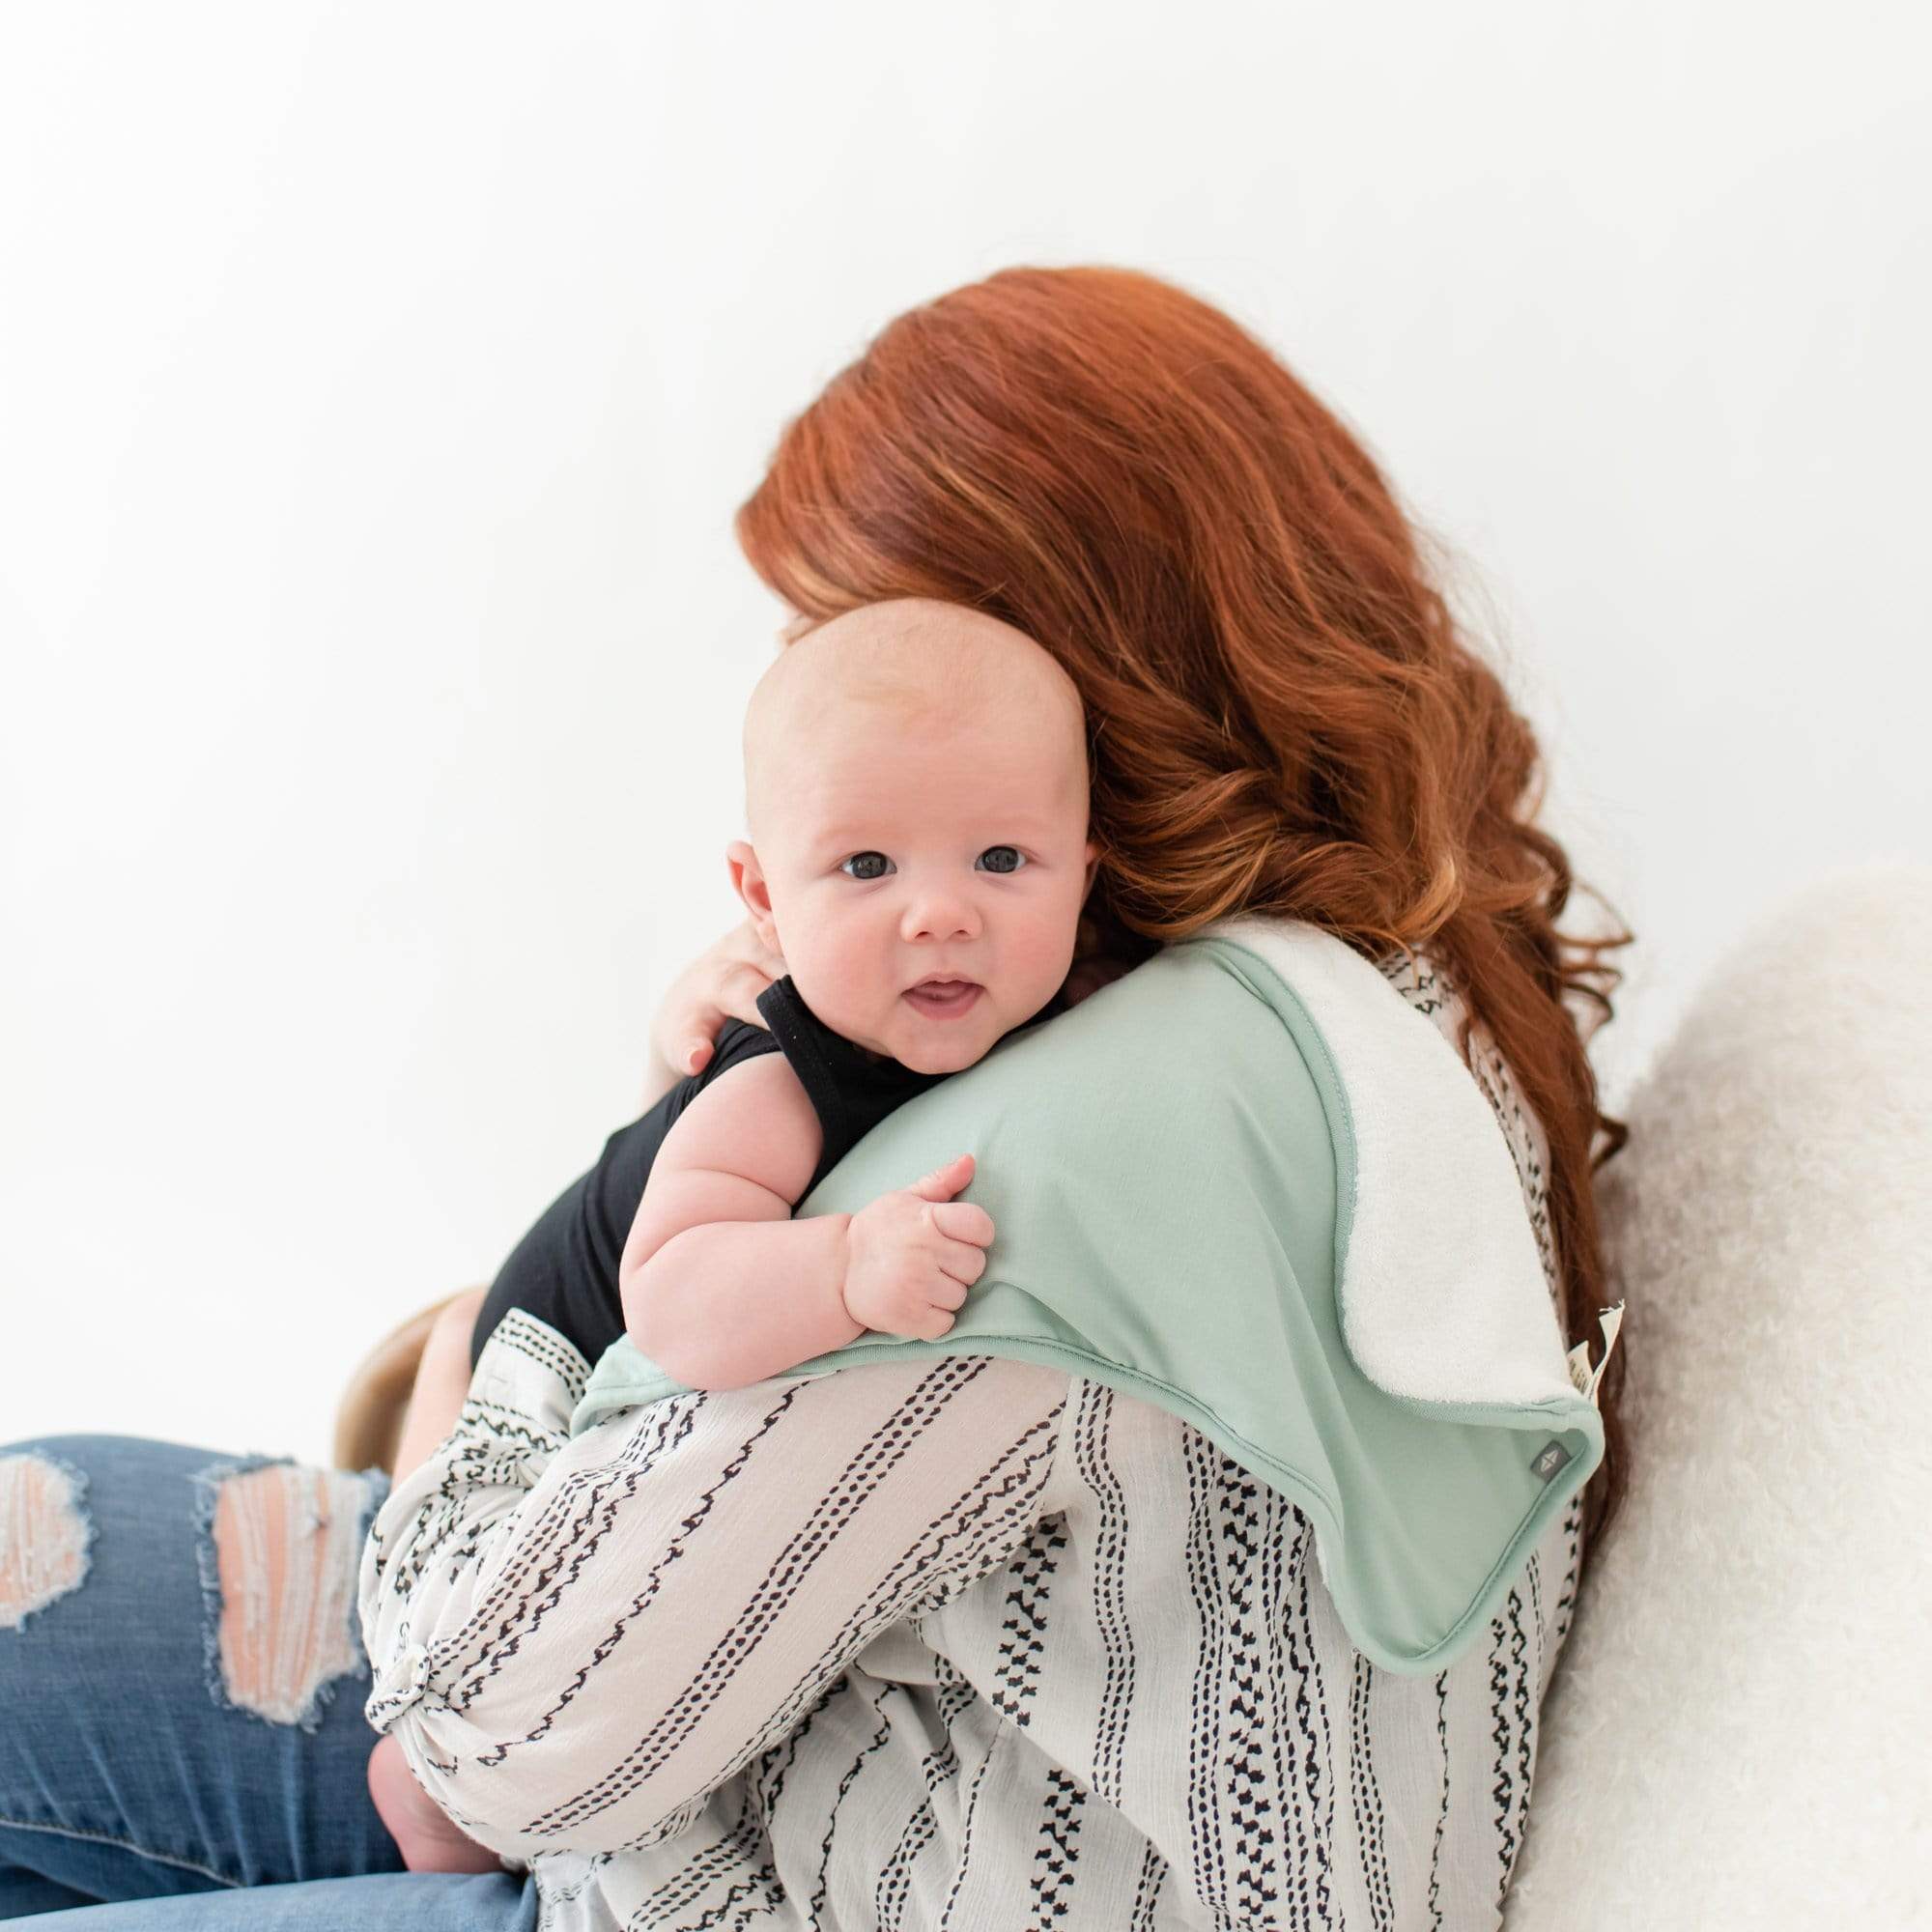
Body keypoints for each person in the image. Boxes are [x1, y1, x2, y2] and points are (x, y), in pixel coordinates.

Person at [0, 263, 1632, 1928]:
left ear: (1090, 710)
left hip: (665, 1833)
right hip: (692, 1682)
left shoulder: (1076, 1163)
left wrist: (472, 1383)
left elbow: (484, 1750)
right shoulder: (1395, 981)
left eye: (851, 639)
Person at [367, 596, 1102, 1872]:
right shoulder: (784, 1078)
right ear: (763, 894)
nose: (939, 915)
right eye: (866, 868)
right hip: (543, 1361)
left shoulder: (1056, 1017)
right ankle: (422, 1796)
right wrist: (846, 1265)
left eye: (1002, 861)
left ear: (1088, 871)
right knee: (444, 1779)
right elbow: (672, 1297)